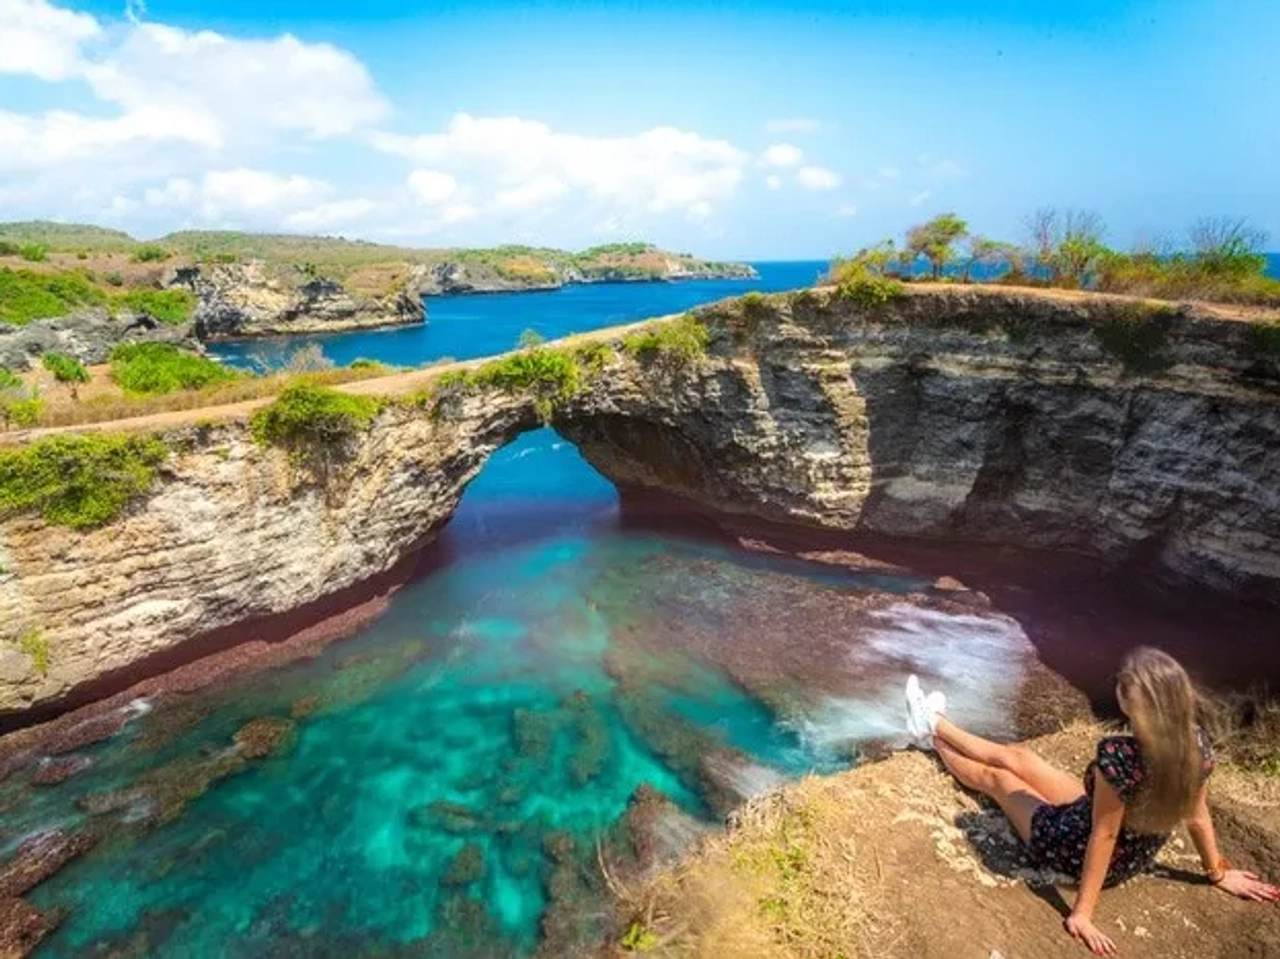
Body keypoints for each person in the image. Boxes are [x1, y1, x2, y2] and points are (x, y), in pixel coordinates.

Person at [904, 647, 1279, 956]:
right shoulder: (1196, 744)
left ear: (1132, 706)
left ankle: (930, 738)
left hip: (1070, 845)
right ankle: (935, 720)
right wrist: (1217, 872)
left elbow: (1103, 836)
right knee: (1023, 759)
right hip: (1121, 840)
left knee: (999, 780)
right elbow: (1198, 817)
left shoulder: (1119, 757)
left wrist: (1082, 913)